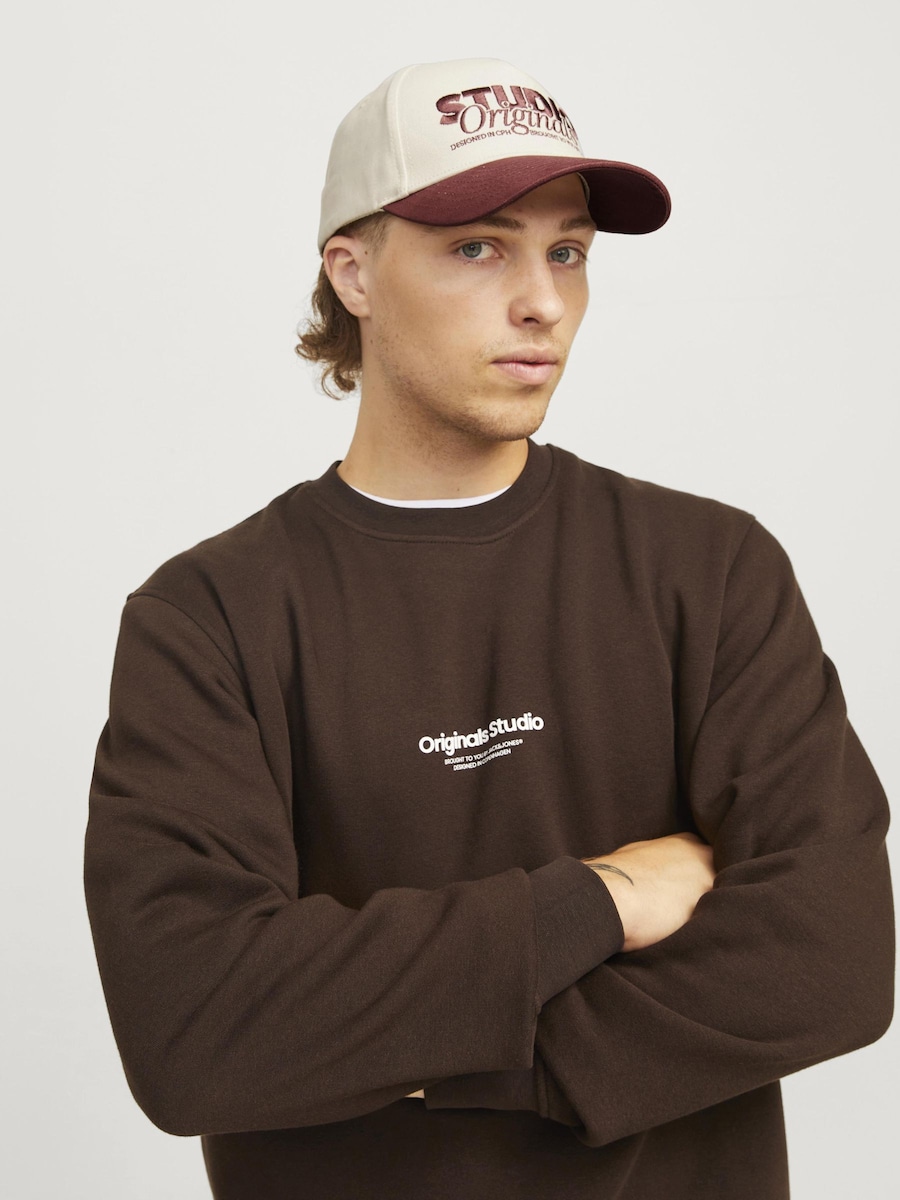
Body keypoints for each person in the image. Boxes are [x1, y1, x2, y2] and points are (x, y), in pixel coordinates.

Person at [84, 57, 894, 1200]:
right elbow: (195, 1031)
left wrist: (443, 1057)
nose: (544, 302)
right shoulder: (208, 620)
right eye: (479, 247)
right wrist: (601, 898)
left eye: (567, 252)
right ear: (352, 273)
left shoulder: (711, 571)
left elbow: (836, 959)